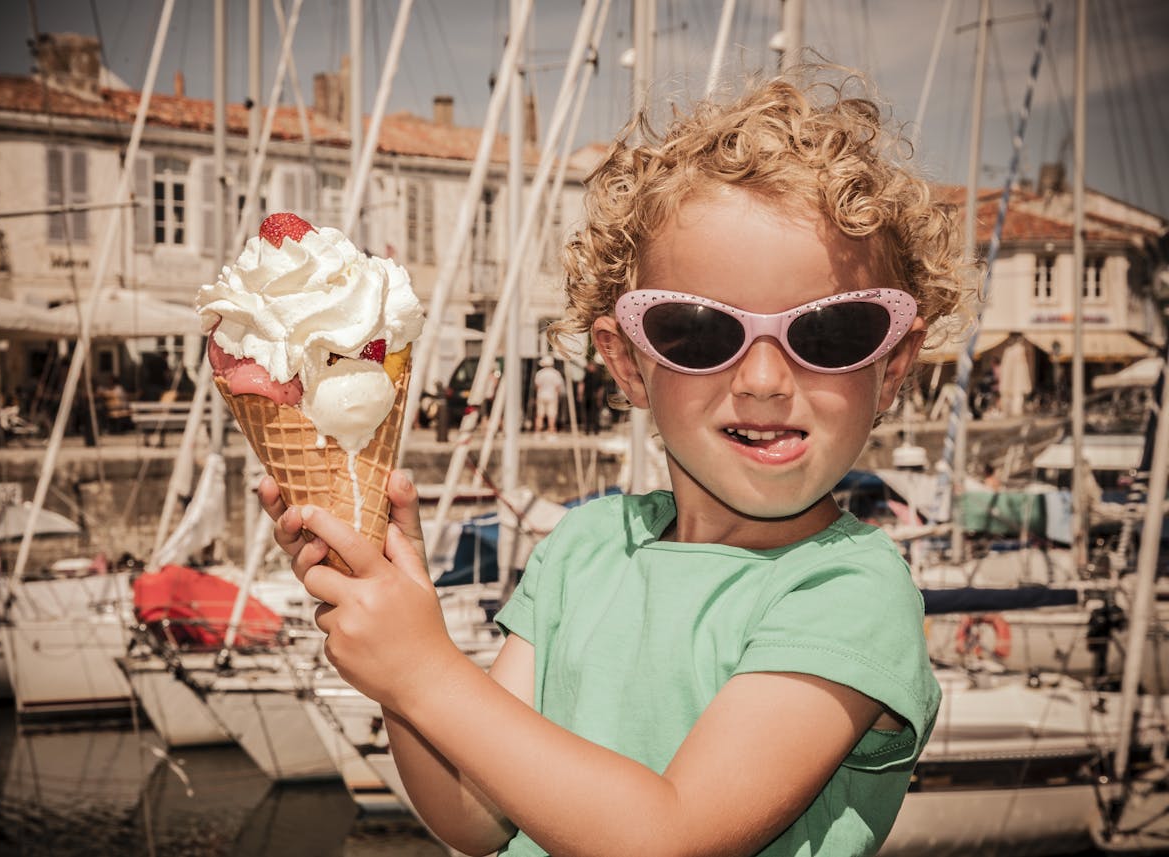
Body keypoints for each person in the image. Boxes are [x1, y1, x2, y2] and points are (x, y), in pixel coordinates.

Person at [258, 68, 971, 857]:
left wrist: (427, 671)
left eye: (830, 335)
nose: (766, 380)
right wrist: (398, 650)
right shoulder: (583, 545)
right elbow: (473, 818)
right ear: (629, 363)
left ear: (894, 365)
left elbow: (669, 834)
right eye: (698, 332)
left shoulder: (848, 590)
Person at [531, 355, 564, 435]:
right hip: (552, 395)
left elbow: (537, 385)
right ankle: (551, 431)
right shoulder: (556, 373)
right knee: (551, 415)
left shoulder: (539, 373)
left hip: (541, 395)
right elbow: (558, 386)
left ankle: (538, 432)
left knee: (539, 414)